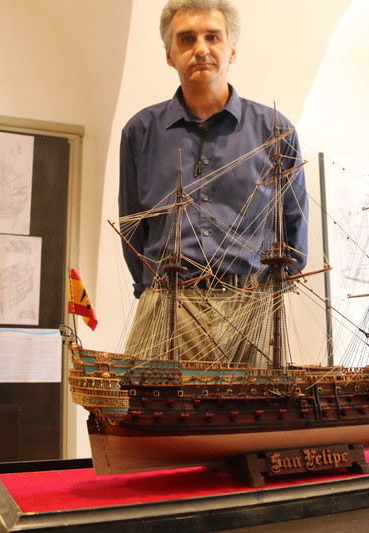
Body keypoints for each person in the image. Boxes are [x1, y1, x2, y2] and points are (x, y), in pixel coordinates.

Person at [118, 0, 308, 365]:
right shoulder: (140, 131)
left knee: (261, 404)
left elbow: (293, 218)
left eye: (213, 37)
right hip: (166, 303)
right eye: (186, 39)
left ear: (231, 50)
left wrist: (277, 285)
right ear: (170, 54)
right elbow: (131, 224)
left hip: (252, 307)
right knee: (146, 400)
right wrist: (149, 285)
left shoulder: (275, 129)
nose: (201, 49)